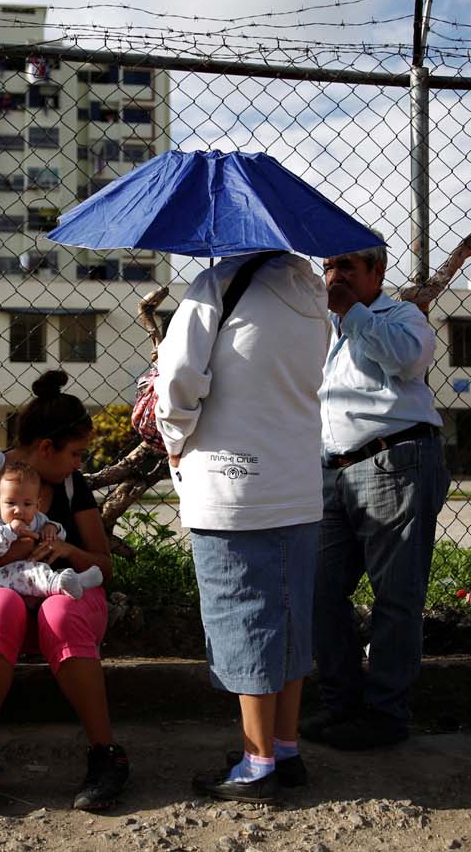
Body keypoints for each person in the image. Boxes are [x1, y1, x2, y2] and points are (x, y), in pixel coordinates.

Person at [155, 251, 330, 803]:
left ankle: (257, 766)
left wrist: (175, 439)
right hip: (297, 481)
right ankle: (284, 749)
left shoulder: (217, 284)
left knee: (244, 618)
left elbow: (179, 377)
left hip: (232, 487)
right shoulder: (314, 294)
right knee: (290, 616)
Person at [0, 371, 128, 810]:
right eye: (76, 453)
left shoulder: (70, 487)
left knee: (59, 613)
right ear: (45, 448)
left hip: (63, 600)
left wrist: (65, 549)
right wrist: (6, 556)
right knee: (2, 604)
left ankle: (106, 753)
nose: (80, 464)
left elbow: (104, 565)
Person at [302, 245, 449, 751]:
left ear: (376, 273)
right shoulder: (325, 329)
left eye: (346, 267)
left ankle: (386, 713)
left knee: (396, 596)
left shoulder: (400, 314)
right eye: (328, 266)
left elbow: (408, 362)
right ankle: (341, 702)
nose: (334, 276)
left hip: (394, 460)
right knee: (318, 591)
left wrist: (354, 312)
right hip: (331, 470)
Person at [0, 462, 104, 600]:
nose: (19, 510)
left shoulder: (37, 519)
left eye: (27, 504)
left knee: (40, 571)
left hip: (30, 572)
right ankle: (61, 584)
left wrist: (52, 528)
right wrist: (9, 531)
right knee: (27, 573)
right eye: (10, 503)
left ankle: (74, 580)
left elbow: (61, 535)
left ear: (37, 505)